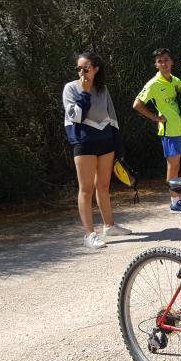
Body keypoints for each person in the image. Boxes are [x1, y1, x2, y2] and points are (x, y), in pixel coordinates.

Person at [62, 52, 133, 249]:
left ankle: (109, 226)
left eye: (85, 68)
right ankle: (88, 234)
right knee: (86, 189)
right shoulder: (70, 88)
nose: (81, 72)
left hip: (105, 141)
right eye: (78, 69)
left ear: (95, 69)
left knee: (103, 186)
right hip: (83, 142)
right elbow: (76, 117)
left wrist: (118, 147)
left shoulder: (103, 89)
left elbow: (112, 117)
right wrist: (84, 92)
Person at [133, 49, 181, 213]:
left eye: (166, 60)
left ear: (172, 62)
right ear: (156, 65)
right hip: (168, 131)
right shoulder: (153, 84)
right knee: (173, 166)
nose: (164, 63)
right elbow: (137, 104)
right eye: (160, 61)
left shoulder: (176, 80)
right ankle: (175, 202)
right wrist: (155, 118)